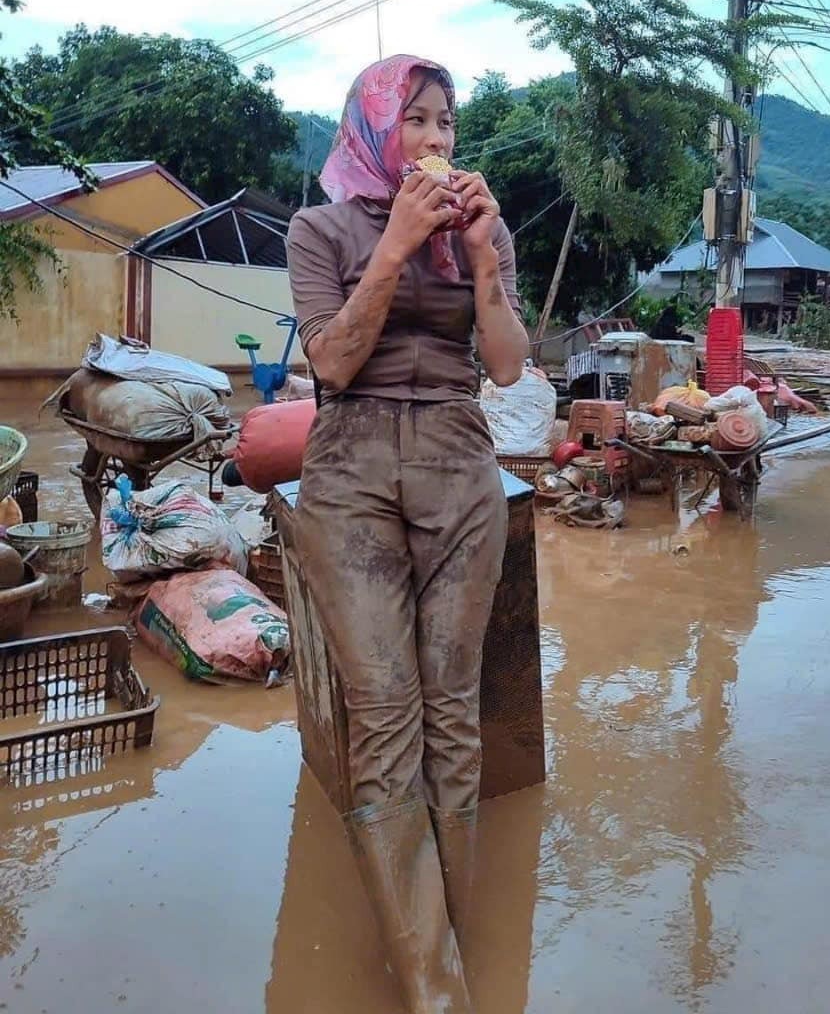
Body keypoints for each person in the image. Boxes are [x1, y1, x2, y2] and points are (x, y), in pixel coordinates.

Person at [286, 55, 529, 1013]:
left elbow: (506, 368)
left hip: (459, 458)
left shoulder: (486, 233)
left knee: (452, 714)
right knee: (385, 720)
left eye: (448, 124)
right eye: (418, 120)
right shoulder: (321, 227)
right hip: (349, 465)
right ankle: (440, 995)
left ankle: (454, 947)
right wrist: (395, 245)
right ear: (377, 129)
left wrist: (478, 255)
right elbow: (335, 362)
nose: (436, 139)